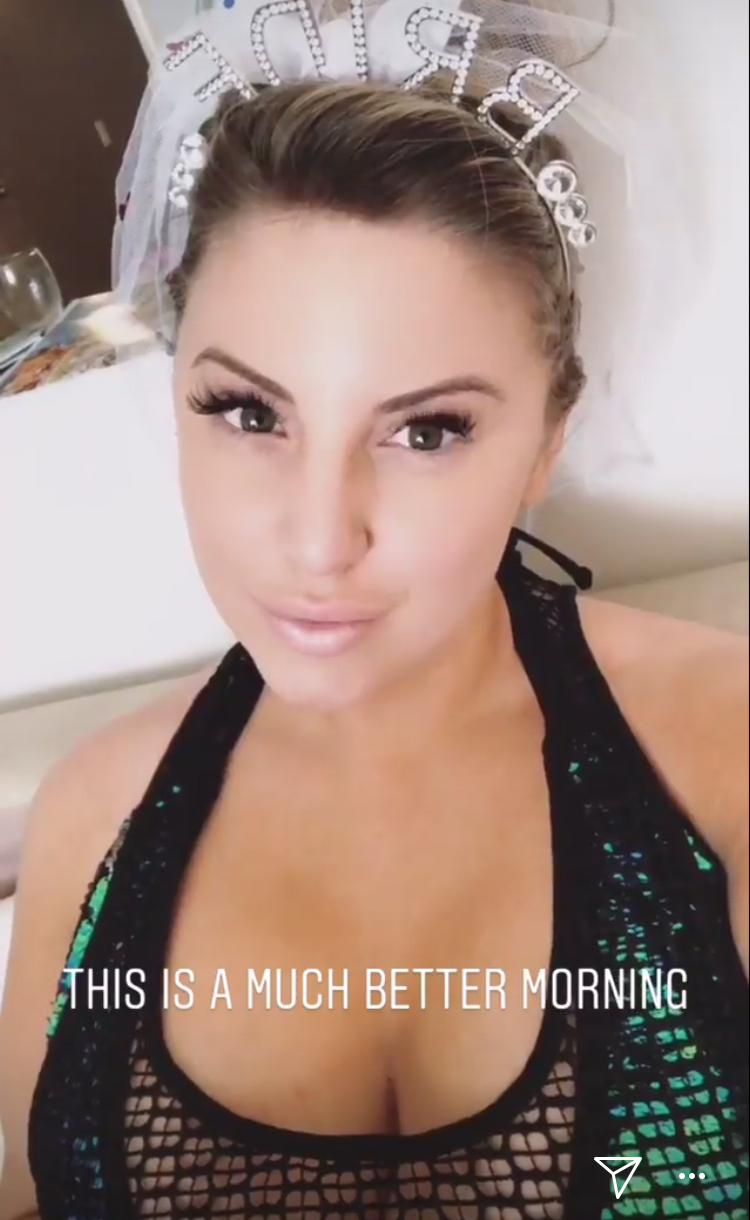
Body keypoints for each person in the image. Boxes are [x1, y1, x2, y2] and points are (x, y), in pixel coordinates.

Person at [0, 2, 747, 1217]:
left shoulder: (723, 762)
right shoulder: (94, 816)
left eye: (428, 430)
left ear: (546, 441)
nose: (317, 539)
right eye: (249, 411)